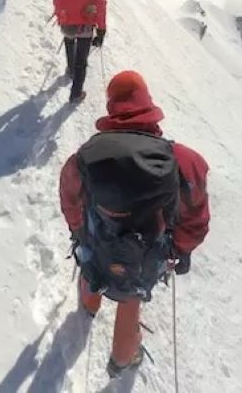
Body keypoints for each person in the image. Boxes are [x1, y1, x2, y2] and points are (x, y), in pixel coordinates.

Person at [59, 70, 210, 377]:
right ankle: (122, 360)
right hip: (145, 255)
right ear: (148, 104)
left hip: (98, 243)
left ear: (111, 106)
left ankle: (89, 307)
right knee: (131, 298)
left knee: (92, 268)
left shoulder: (85, 157)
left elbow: (70, 196)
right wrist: (181, 249)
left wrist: (77, 230)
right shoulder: (183, 160)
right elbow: (196, 214)